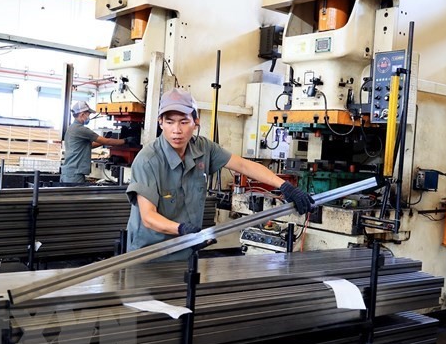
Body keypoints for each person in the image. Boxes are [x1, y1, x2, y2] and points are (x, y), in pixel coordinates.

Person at [126, 88, 313, 260]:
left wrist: (284, 186)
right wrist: (183, 229)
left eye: (184, 122)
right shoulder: (148, 160)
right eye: (169, 122)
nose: (177, 130)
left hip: (186, 252)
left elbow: (243, 165)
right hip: (149, 256)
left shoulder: (203, 148)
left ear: (195, 122)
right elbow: (148, 217)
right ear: (160, 123)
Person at [60, 101, 137, 183]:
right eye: (88, 114)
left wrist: (104, 140)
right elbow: (108, 141)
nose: (88, 117)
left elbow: (90, 145)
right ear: (82, 114)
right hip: (74, 175)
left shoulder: (71, 128)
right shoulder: (82, 130)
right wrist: (125, 140)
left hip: (69, 173)